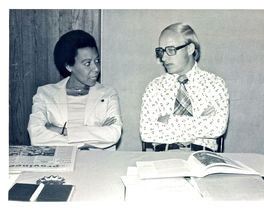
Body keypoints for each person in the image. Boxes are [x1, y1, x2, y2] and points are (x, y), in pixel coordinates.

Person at [140, 23, 229, 152]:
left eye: (171, 50)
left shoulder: (215, 84)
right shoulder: (154, 87)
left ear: (190, 49)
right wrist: (199, 122)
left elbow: (217, 127)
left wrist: (169, 121)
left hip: (202, 156)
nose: (164, 57)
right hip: (163, 158)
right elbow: (146, 132)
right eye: (161, 51)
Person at [28, 30, 122, 150]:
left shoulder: (108, 93)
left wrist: (63, 131)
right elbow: (36, 136)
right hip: (58, 162)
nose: (96, 68)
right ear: (69, 66)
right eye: (87, 63)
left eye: (97, 61)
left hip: (98, 162)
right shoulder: (45, 94)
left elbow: (113, 134)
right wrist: (95, 134)